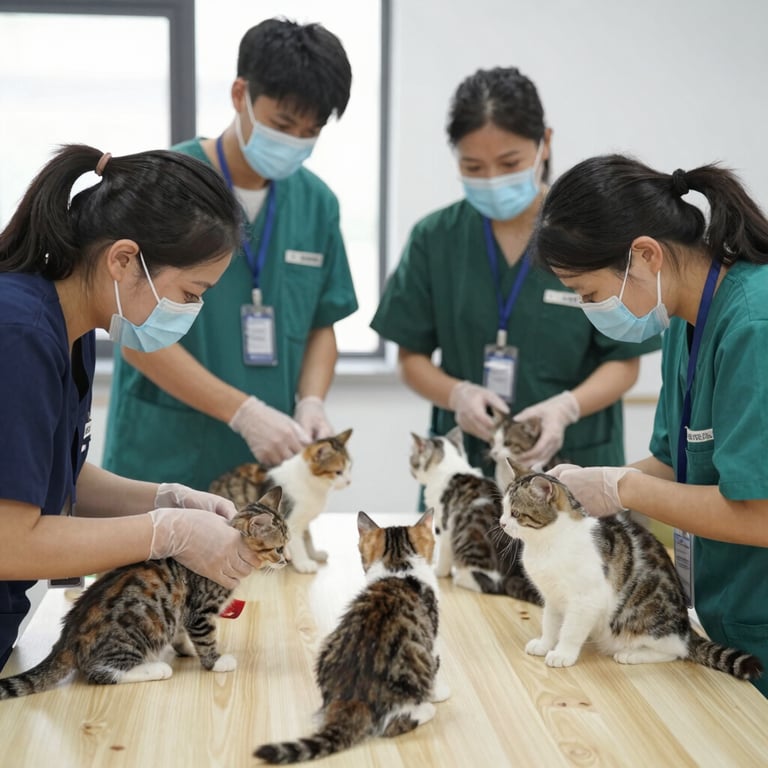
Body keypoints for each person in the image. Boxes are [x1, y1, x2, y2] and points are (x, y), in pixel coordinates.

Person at [0, 144, 264, 669]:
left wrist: (167, 499)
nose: (191, 310)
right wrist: (167, 532)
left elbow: (49, 475)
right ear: (123, 260)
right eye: (190, 292)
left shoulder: (71, 328)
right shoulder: (19, 335)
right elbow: (10, 541)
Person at [534, 153, 768, 697]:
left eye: (589, 294)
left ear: (644, 255)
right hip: (727, 616)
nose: (591, 309)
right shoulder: (682, 322)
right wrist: (588, 488)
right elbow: (675, 459)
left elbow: (760, 515)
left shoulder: (753, 327)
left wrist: (622, 487)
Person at [102, 18, 358, 488]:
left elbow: (323, 323)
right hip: (165, 456)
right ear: (241, 95)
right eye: (283, 124)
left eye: (311, 130)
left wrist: (311, 401)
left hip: (266, 468)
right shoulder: (168, 184)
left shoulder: (317, 203)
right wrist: (242, 412)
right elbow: (130, 326)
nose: (295, 141)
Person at [371, 67, 660, 474]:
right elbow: (410, 357)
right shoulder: (435, 238)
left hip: (574, 462)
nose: (492, 180)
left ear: (545, 143)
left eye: (509, 163)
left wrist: (566, 408)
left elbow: (625, 361)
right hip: (467, 467)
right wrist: (456, 394)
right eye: (473, 167)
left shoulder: (592, 235)